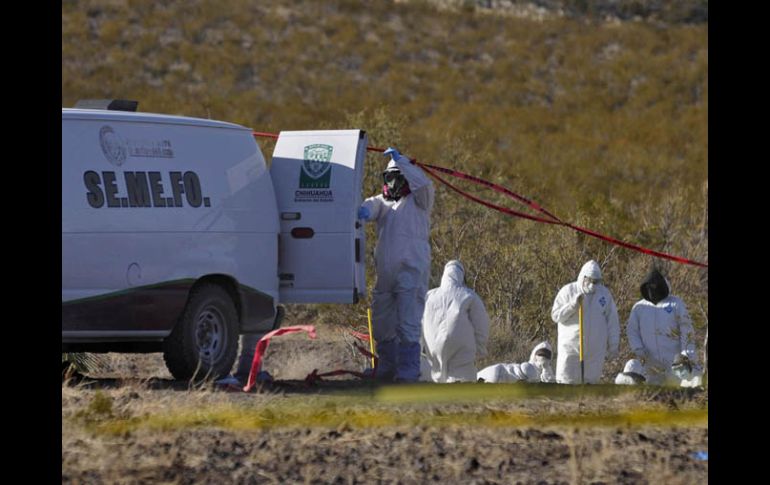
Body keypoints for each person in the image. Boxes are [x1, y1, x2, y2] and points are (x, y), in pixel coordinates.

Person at [358, 147, 435, 382]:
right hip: (386, 274)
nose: (390, 184)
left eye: (395, 177)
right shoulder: (384, 203)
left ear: (404, 178)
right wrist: (359, 211)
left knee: (408, 322)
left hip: (410, 272)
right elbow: (371, 205)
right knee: (382, 322)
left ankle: (408, 370)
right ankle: (387, 367)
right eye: (388, 178)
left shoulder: (420, 201)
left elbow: (423, 184)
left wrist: (402, 162)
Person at [551, 260, 620, 384]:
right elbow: (556, 316)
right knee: (566, 384)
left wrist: (613, 345)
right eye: (589, 281)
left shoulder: (604, 294)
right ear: (583, 277)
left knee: (590, 389)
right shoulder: (568, 291)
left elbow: (612, 321)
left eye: (596, 281)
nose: (592, 285)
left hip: (595, 352)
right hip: (571, 350)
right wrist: (573, 305)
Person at [626, 267, 697, 385]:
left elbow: (686, 329)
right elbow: (632, 330)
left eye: (655, 288)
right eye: (649, 288)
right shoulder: (639, 308)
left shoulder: (675, 304)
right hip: (650, 362)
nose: (652, 291)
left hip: (674, 362)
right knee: (652, 395)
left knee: (678, 393)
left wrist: (686, 354)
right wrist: (638, 348)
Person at [421, 260, 490, 383]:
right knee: (462, 377)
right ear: (461, 276)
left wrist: (418, 347)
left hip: (433, 349)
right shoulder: (469, 295)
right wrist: (480, 348)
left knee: (437, 377)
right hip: (461, 352)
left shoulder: (428, 296)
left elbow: (418, 323)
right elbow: (481, 324)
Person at [477, 341, 555, 383]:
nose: (542, 358)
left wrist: (546, 368)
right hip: (499, 372)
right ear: (534, 355)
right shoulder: (529, 367)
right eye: (540, 354)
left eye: (546, 356)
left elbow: (550, 383)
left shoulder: (547, 372)